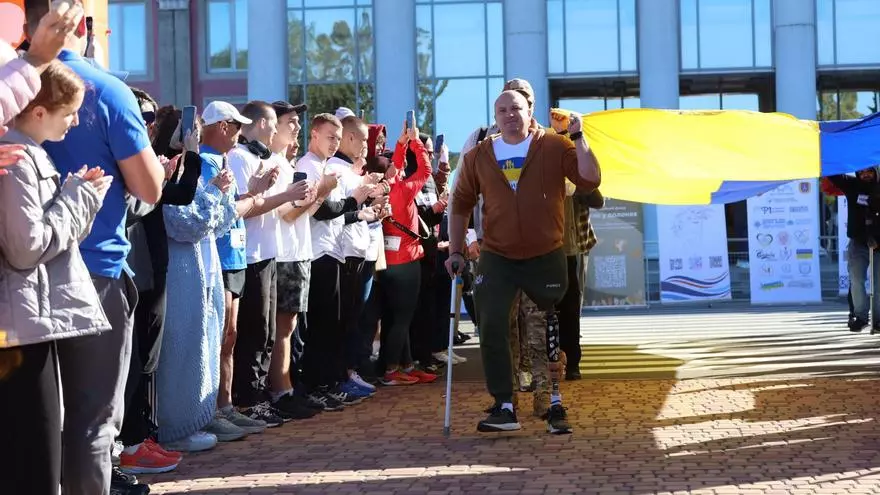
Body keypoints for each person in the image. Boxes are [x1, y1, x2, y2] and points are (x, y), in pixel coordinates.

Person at [30, 5, 165, 492]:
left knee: (32, 424)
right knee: (91, 425)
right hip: (94, 272)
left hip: (19, 277)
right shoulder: (106, 89)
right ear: (86, 28)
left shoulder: (12, 86)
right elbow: (150, 189)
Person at [447, 90, 600, 435]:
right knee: (492, 325)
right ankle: (504, 405)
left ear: (530, 111)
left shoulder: (554, 146)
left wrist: (578, 137)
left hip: (545, 254)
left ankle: (553, 401)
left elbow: (590, 179)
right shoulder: (478, 156)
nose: (509, 114)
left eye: (515, 108)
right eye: (501, 110)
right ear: (495, 116)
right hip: (497, 256)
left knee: (547, 326)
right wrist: (456, 250)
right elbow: (459, 205)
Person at [0, 59, 111, 495]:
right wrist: (76, 201)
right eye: (69, 112)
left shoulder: (26, 155)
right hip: (21, 328)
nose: (74, 122)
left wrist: (76, 200)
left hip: (26, 321)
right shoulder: (18, 159)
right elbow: (26, 248)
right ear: (39, 111)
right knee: (36, 461)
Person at [198, 100, 282, 432]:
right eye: (235, 126)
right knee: (221, 336)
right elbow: (213, 215)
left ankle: (226, 404)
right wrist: (252, 196)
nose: (239, 133)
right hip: (219, 259)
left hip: (233, 258)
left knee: (229, 336)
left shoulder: (219, 160)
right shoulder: (206, 162)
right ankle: (214, 409)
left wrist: (252, 191)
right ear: (222, 127)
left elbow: (228, 207)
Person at [827, 168, 880, 332]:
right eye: (862, 171)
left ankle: (878, 321)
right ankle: (861, 316)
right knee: (856, 280)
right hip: (858, 242)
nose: (865, 174)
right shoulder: (851, 185)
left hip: (879, 244)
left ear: (876, 171)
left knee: (879, 284)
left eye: (869, 171)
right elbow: (832, 172)